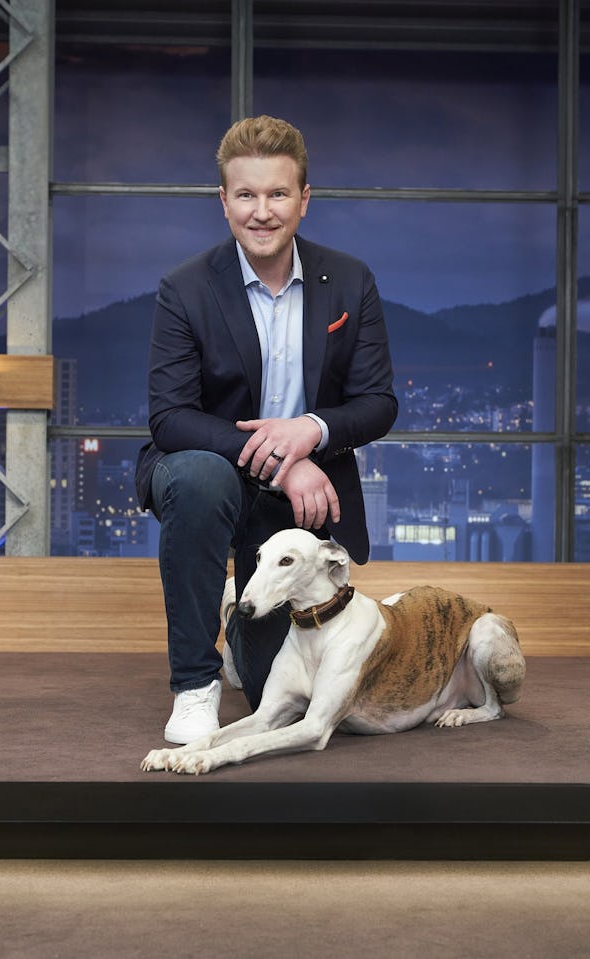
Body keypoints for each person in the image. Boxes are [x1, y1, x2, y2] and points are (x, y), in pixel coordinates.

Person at [135, 114, 397, 744]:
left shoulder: (350, 281)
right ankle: (195, 684)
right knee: (198, 478)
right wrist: (282, 458)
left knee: (270, 690)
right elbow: (170, 415)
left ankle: (236, 621)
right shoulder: (186, 288)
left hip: (298, 512)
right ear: (223, 201)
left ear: (304, 200)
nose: (261, 211)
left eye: (277, 193)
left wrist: (310, 430)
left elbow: (378, 403)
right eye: (245, 194)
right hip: (210, 471)